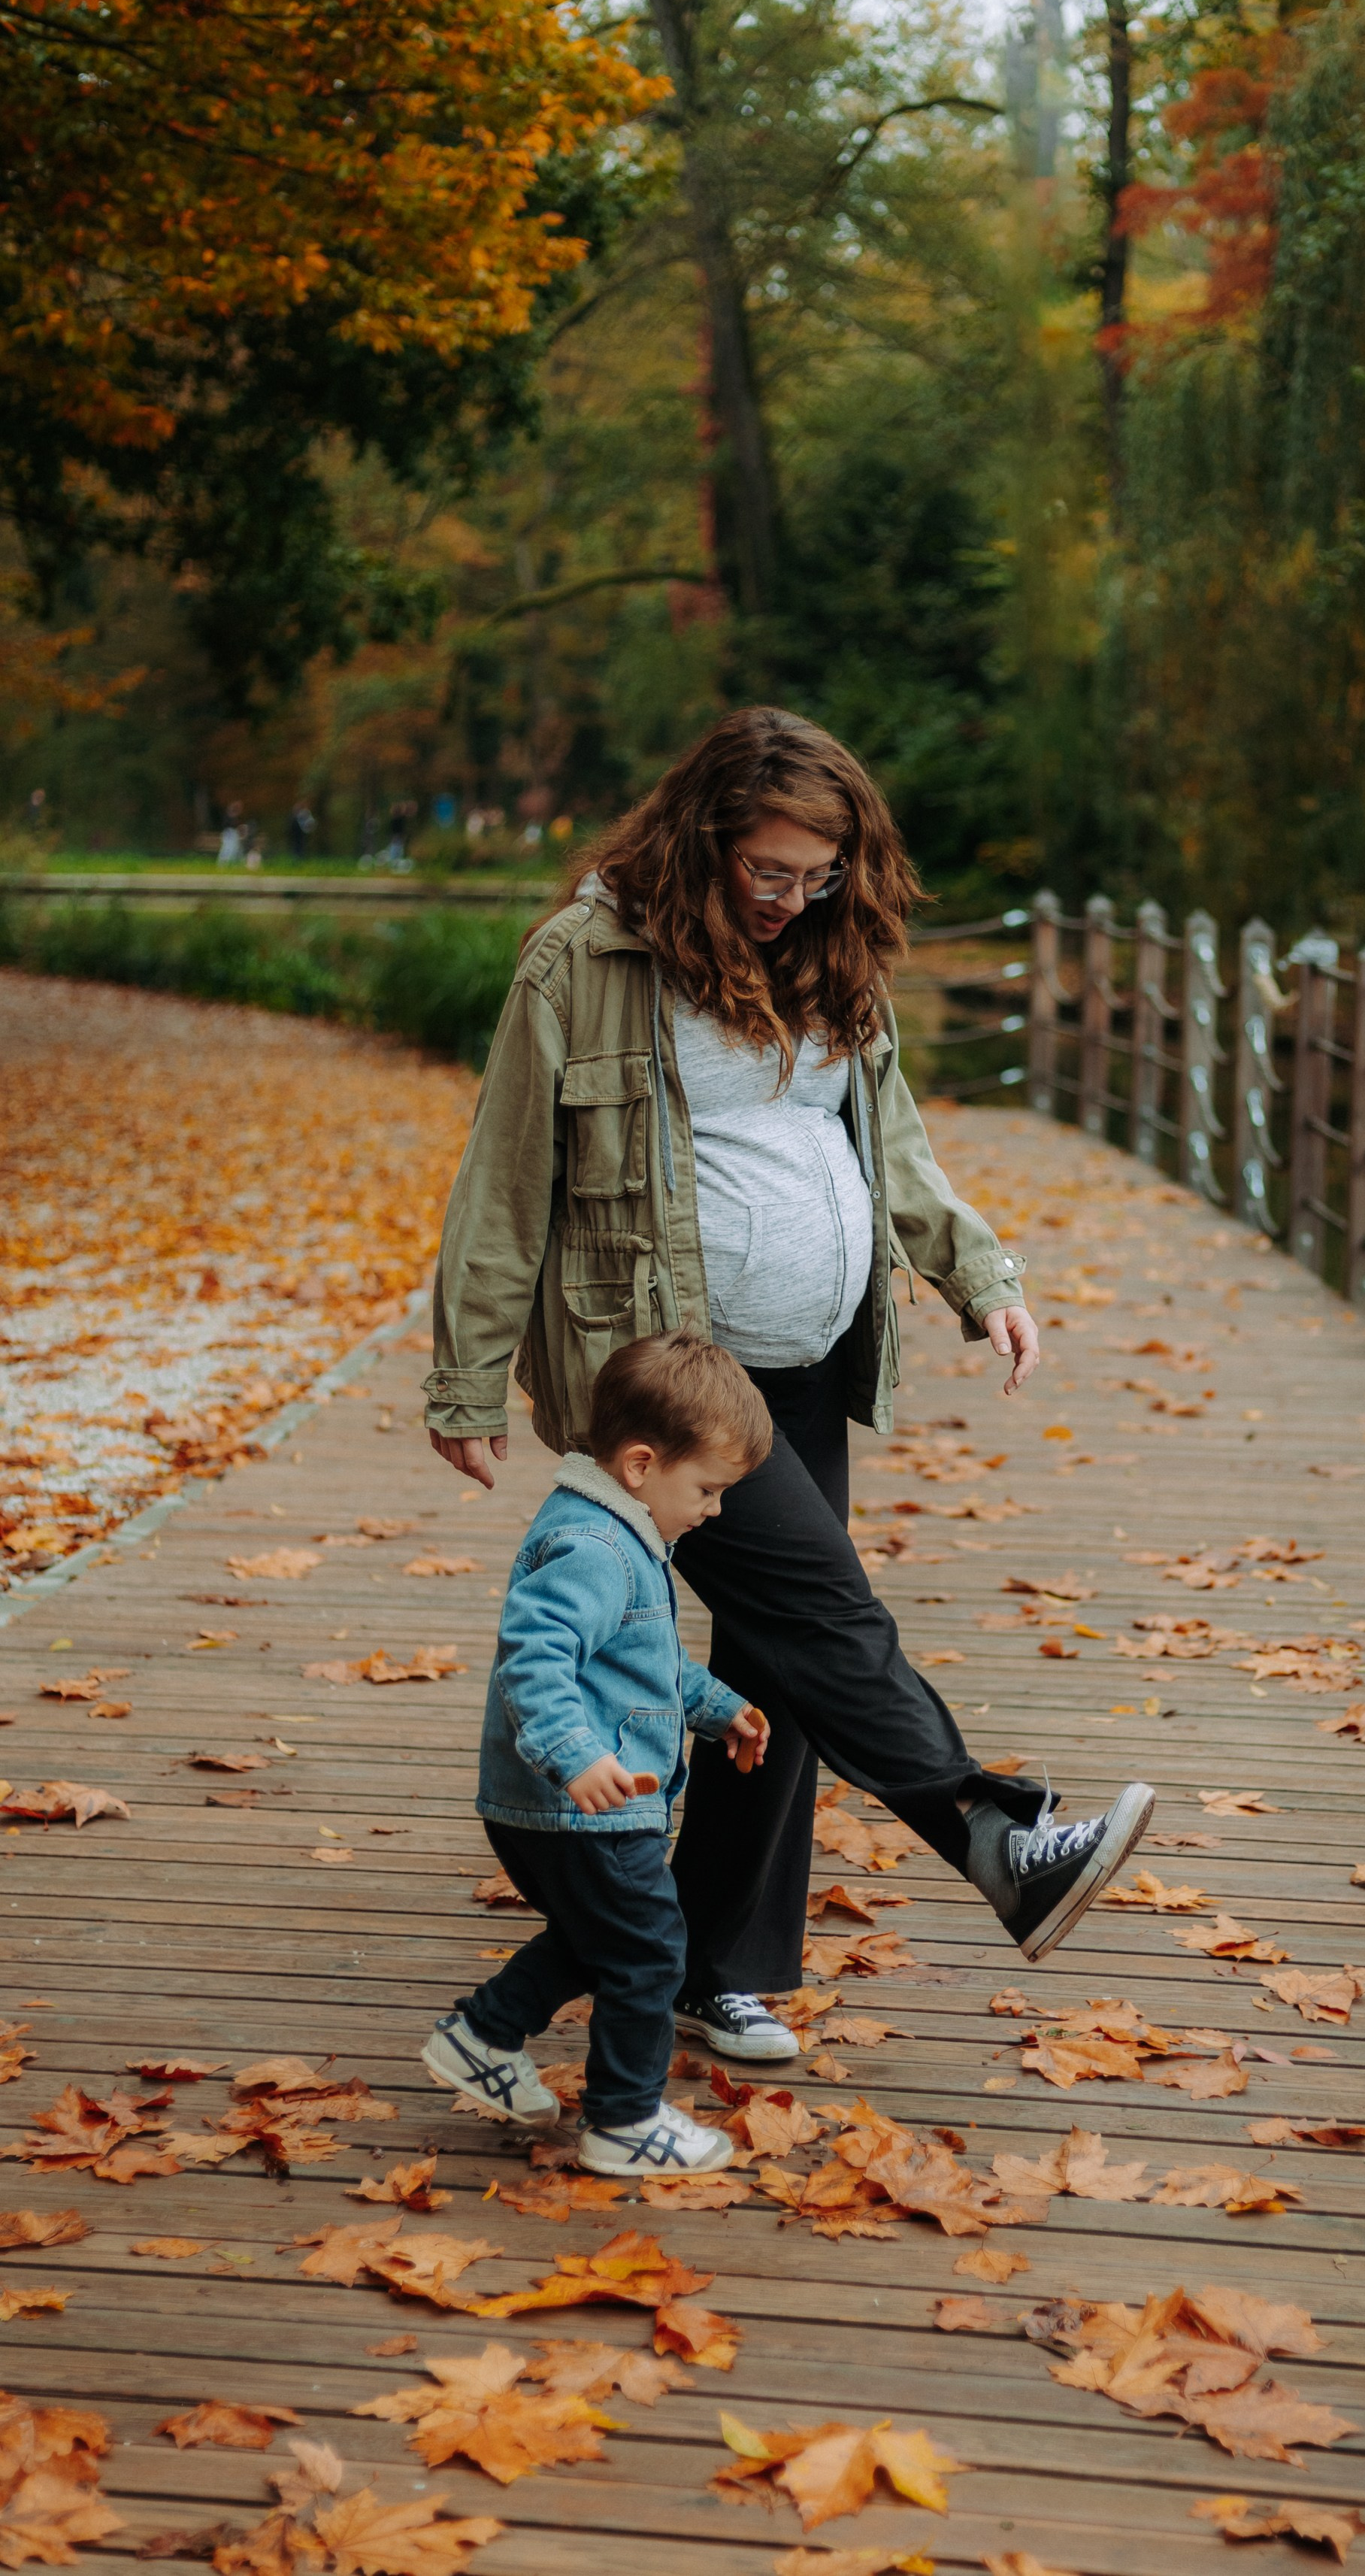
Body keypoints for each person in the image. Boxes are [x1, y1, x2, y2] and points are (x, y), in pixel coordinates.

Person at [424, 705, 1152, 2065]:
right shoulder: (581, 963)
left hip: (809, 1368)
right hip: (667, 1379)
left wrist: (977, 1276)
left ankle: (716, 1967)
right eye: (768, 870)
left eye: (817, 873)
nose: (790, 897)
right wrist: (464, 1379)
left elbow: (894, 1144)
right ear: (701, 836)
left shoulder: (829, 959)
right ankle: (993, 1834)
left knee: (775, 1661)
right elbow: (503, 1181)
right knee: (824, 1618)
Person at [422, 1332, 773, 2174]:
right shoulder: (594, 1547)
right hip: (578, 1798)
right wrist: (575, 1754)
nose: (714, 1508)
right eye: (708, 1488)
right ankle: (623, 2119)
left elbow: (640, 1660)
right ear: (641, 1464)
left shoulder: (620, 1531)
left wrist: (717, 1707)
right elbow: (532, 1656)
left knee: (597, 1936)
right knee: (652, 1949)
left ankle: (482, 2036)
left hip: (572, 1799)